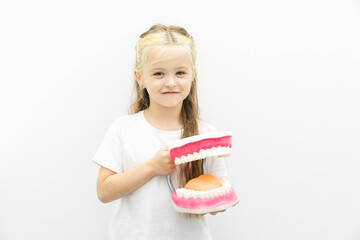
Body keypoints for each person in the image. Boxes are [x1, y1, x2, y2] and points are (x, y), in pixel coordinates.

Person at [92, 24, 228, 240]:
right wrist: (151, 167)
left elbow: (218, 196)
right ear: (140, 77)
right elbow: (104, 192)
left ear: (193, 75)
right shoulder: (124, 128)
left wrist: (212, 200)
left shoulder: (206, 134)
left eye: (180, 72)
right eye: (158, 73)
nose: (171, 82)